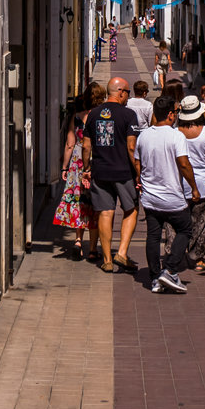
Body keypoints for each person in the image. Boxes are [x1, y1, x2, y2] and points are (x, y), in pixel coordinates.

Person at [134, 94, 198, 293]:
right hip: (172, 197)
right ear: (170, 115)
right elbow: (184, 164)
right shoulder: (176, 135)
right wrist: (194, 187)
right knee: (186, 229)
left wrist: (141, 179)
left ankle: (154, 278)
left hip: (151, 198)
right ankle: (169, 269)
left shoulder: (144, 135)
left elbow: (137, 162)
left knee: (153, 236)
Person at [81, 76, 139, 273]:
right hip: (123, 172)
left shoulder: (93, 114)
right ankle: (121, 253)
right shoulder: (129, 115)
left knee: (105, 212)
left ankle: (106, 259)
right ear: (121, 92)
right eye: (127, 93)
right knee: (131, 209)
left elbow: (86, 146)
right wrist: (138, 173)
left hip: (100, 171)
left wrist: (86, 169)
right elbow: (131, 147)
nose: (128, 97)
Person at [54, 83, 105, 258]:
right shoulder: (102, 118)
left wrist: (64, 167)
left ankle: (77, 241)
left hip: (77, 163)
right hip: (97, 161)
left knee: (79, 202)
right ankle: (92, 249)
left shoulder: (76, 117)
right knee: (96, 203)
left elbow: (69, 144)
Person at [176, 94, 205, 270]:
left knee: (183, 221)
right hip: (204, 184)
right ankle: (197, 257)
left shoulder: (177, 132)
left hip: (182, 183)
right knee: (202, 223)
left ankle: (178, 253)